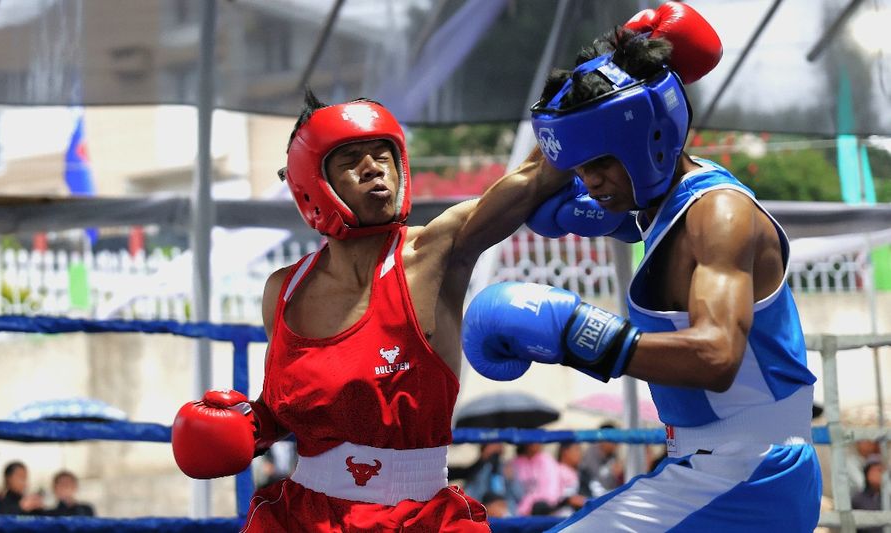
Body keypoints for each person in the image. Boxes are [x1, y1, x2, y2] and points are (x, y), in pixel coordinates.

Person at [461, 2, 822, 531]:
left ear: (646, 140)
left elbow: (718, 355)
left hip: (750, 467)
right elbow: (649, 230)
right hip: (712, 463)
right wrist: (595, 215)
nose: (590, 182)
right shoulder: (665, 209)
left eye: (600, 164)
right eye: (580, 169)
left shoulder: (719, 215)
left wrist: (575, 334)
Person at [170, 88, 573, 531]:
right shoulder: (285, 290)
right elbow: (297, 404)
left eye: (383, 154)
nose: (373, 167)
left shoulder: (433, 255)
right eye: (350, 160)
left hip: (417, 514)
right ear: (311, 184)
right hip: (304, 515)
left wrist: (600, 84)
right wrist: (254, 425)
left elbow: (534, 176)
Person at [510, 443, 566, 516]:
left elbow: (551, 495)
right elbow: (513, 493)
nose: (536, 443)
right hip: (519, 511)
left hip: (544, 509)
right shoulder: (515, 463)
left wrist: (528, 505)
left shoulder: (547, 461)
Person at [578, 423, 623, 498]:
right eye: (614, 440)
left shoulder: (613, 456)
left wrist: (618, 476)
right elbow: (595, 483)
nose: (617, 444)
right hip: (589, 496)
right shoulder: (592, 454)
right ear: (604, 439)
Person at [852, 457, 885, 533]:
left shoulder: (888, 498)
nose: (878, 475)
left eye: (880, 471)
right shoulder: (858, 499)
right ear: (867, 474)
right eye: (874, 471)